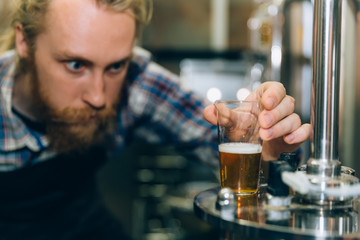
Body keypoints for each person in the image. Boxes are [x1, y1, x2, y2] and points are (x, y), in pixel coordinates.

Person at [0, 0, 312, 239]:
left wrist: (266, 145)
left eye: (115, 66)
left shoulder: (137, 84)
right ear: (25, 42)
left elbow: (216, 136)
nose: (98, 97)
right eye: (75, 64)